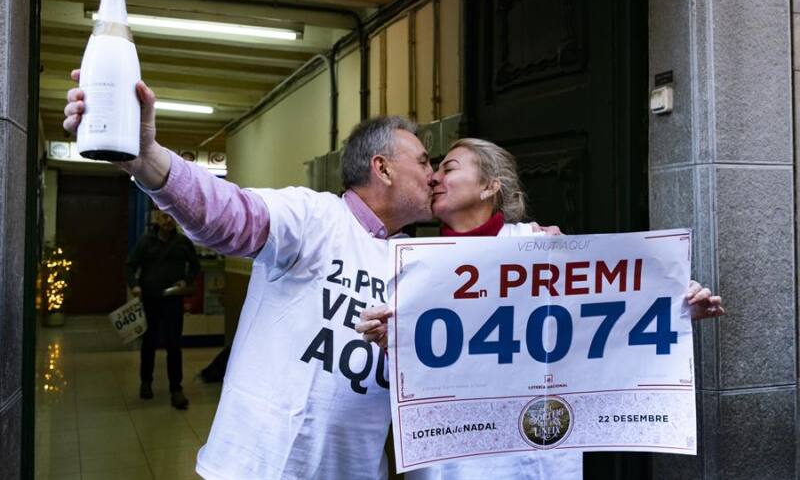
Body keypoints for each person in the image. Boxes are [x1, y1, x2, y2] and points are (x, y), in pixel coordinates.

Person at [64, 70, 434, 479]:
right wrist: (148, 158)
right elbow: (229, 215)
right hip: (257, 468)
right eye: (424, 161)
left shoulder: (415, 261)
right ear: (382, 169)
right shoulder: (313, 217)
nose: (433, 174)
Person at [357, 138, 725, 479]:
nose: (433, 178)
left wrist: (673, 308)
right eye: (434, 170)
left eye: (448, 168)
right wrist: (391, 339)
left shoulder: (543, 247)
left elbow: (600, 324)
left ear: (489, 186)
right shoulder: (412, 267)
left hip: (531, 459)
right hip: (455, 462)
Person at [127, 209, 200, 409]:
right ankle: (146, 383)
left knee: (174, 345)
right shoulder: (145, 242)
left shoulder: (183, 243)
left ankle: (176, 390)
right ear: (157, 219)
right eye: (164, 217)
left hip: (173, 300)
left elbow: (195, 267)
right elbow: (130, 266)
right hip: (150, 299)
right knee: (149, 342)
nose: (168, 220)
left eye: (172, 217)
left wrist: (186, 281)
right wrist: (134, 285)